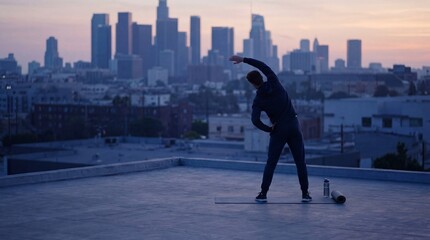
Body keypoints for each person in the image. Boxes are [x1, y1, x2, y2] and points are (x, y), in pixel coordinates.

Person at [229, 55, 312, 202]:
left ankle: (263, 194)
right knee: (300, 162)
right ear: (262, 77)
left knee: (271, 163)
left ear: (252, 84)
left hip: (278, 129)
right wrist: (243, 59)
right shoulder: (275, 82)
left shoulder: (258, 100)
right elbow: (263, 65)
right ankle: (305, 194)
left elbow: (255, 120)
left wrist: (269, 129)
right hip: (293, 125)